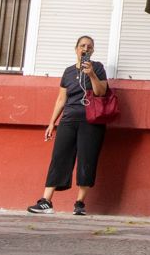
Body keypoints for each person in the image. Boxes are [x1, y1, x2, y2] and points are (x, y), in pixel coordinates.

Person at [28, 35, 110, 216]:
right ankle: (46, 201)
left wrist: (92, 75)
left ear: (93, 50)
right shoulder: (68, 72)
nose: (86, 49)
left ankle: (80, 203)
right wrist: (52, 123)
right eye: (82, 46)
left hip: (92, 121)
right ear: (76, 49)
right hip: (68, 119)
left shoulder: (97, 68)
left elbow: (101, 92)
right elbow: (61, 99)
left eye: (89, 46)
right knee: (59, 157)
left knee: (87, 159)